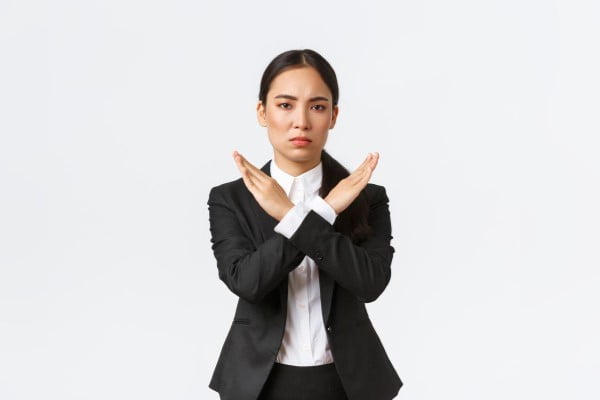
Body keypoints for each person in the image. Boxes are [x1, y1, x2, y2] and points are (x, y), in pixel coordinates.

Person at [206, 49, 402, 400]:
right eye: (285, 105)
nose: (301, 121)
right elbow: (248, 283)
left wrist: (305, 215)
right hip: (259, 384)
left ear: (333, 116)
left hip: (349, 383)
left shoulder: (366, 197)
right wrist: (318, 215)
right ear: (262, 112)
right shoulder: (230, 199)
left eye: (317, 106)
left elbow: (371, 284)